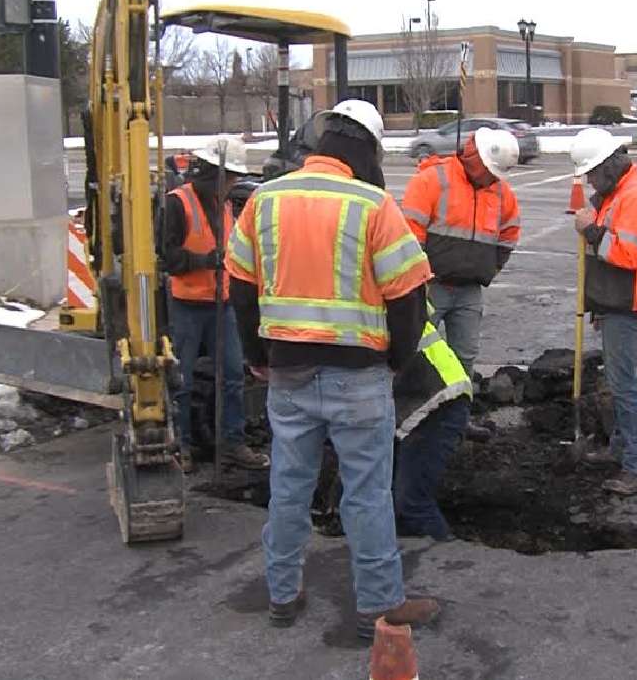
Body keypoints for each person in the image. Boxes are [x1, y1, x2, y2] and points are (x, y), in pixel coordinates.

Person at [225, 100, 440, 640]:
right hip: (359, 376)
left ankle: (282, 595)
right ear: (367, 149)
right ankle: (378, 608)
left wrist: (256, 356)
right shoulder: (373, 204)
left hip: (288, 375)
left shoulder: (265, 200)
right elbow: (408, 296)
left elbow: (241, 288)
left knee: (289, 487)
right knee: (366, 494)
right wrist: (396, 361)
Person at [569, 128, 637, 497]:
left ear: (609, 167)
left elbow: (629, 255)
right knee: (616, 383)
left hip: (629, 303)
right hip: (616, 302)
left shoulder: (636, 198)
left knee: (625, 387)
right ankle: (619, 449)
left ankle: (636, 467)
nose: (590, 181)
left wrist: (591, 230)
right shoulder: (618, 195)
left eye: (593, 174)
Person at [163, 137, 269, 471]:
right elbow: (167, 257)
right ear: (216, 175)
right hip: (188, 305)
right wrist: (207, 260)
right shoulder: (178, 203)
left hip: (221, 304)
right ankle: (181, 445)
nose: (235, 184)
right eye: (232, 177)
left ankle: (232, 443)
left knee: (234, 376)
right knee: (182, 379)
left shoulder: (223, 205)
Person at [400, 127, 522, 376]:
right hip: (430, 287)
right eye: (489, 170)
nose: (491, 177)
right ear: (475, 159)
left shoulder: (500, 192)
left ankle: (458, 409)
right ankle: (413, 406)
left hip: (469, 290)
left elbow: (509, 234)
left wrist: (489, 269)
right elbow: (410, 234)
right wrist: (418, 281)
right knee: (415, 352)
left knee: (465, 354)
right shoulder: (432, 180)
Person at [392, 319, 472, 542]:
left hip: (439, 404)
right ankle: (404, 555)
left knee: (412, 502)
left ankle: (446, 557)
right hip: (416, 404)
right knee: (386, 498)